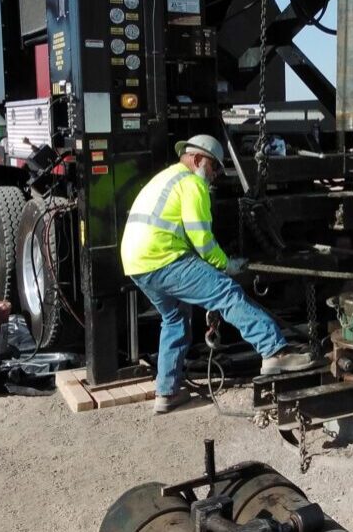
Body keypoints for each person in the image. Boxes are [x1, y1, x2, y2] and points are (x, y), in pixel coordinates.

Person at [120, 134, 313, 413]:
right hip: (164, 259)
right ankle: (274, 350)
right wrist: (226, 265)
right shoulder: (192, 184)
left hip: (138, 264)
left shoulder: (166, 177)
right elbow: (203, 240)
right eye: (214, 168)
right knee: (227, 293)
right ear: (198, 160)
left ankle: (167, 392)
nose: (215, 176)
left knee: (174, 319)